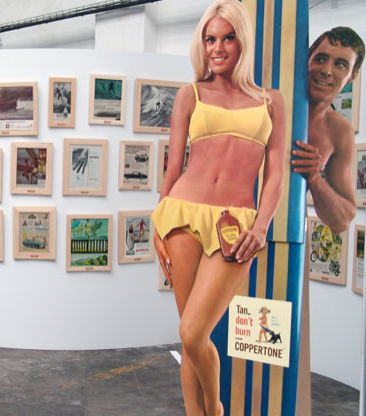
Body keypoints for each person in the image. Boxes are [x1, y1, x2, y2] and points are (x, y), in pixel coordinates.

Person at [151, 1, 286, 415]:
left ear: (242, 41)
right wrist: (158, 225)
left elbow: (275, 175)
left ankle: (215, 408)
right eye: (210, 39)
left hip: (237, 225)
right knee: (188, 336)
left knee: (195, 332)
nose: (217, 48)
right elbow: (174, 168)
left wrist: (261, 227)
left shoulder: (271, 101)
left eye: (228, 38)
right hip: (182, 217)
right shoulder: (190, 94)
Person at [292, 27, 363, 233]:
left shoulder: (339, 130)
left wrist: (314, 179)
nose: (327, 70)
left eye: (340, 64)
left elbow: (341, 221)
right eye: (320, 59)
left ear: (352, 75)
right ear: (307, 60)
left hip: (288, 231)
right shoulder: (275, 101)